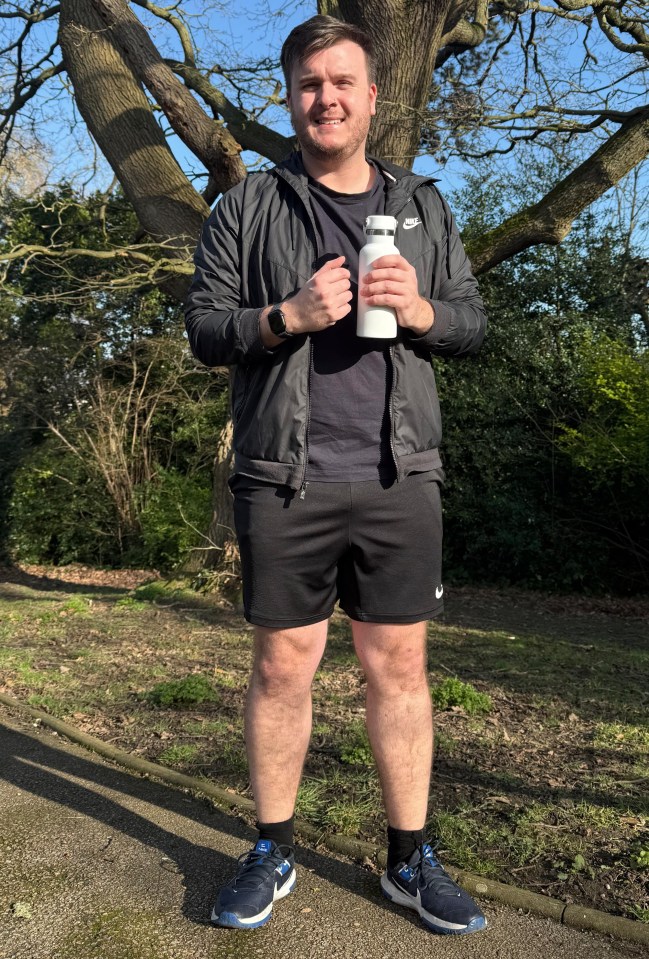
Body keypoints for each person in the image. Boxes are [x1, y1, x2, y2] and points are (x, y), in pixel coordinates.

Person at [185, 14, 487, 936]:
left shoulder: (424, 205)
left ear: (370, 96)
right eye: (310, 82)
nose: (327, 97)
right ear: (291, 94)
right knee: (283, 667)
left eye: (343, 81)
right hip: (285, 478)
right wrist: (286, 314)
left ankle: (408, 860)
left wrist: (425, 308)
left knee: (398, 668)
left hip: (400, 476)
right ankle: (272, 846)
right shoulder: (246, 207)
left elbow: (472, 323)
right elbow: (205, 329)